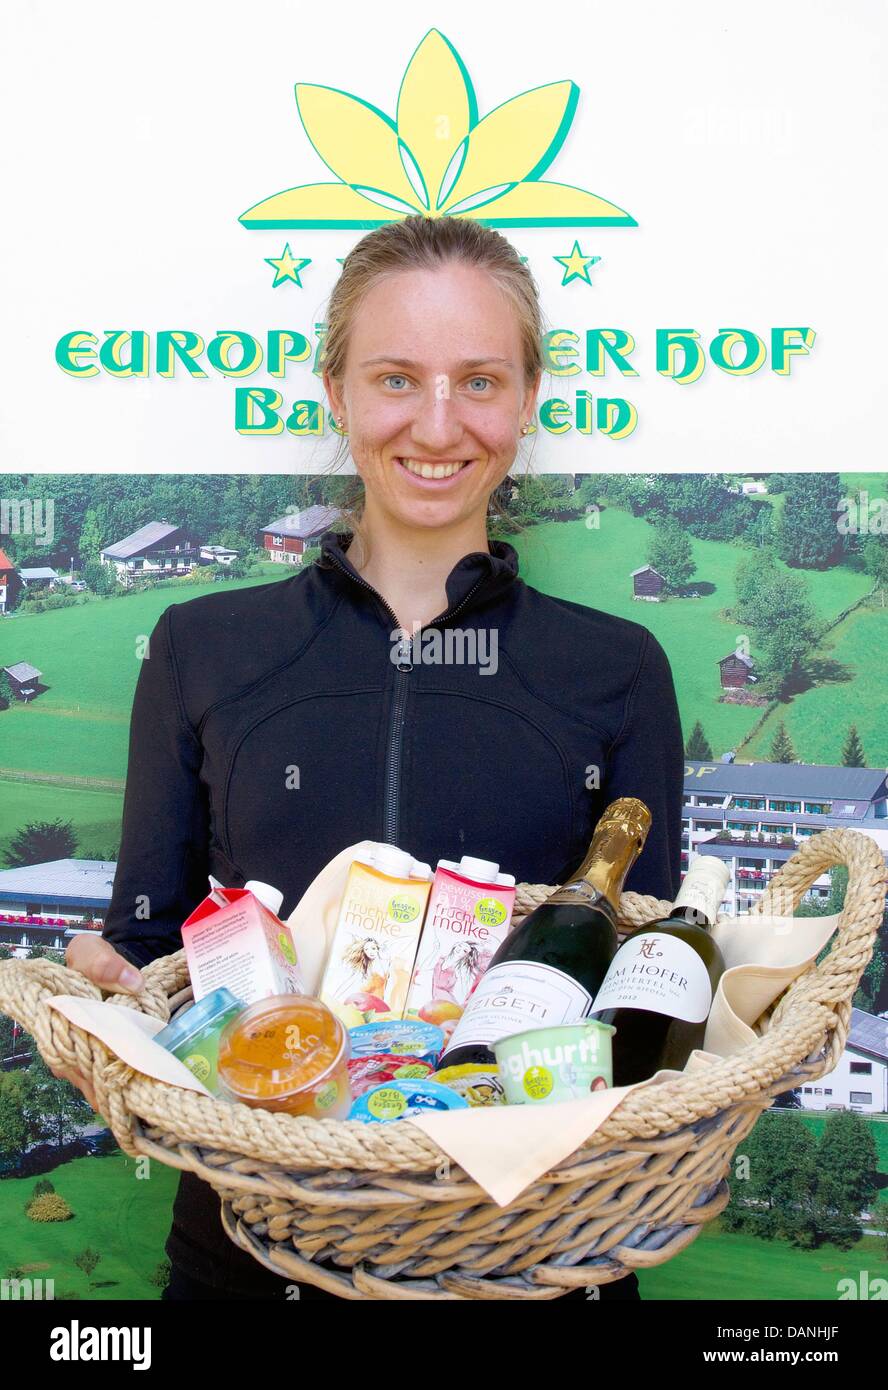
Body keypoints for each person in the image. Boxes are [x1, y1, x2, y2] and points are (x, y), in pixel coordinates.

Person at [54, 214, 685, 1302]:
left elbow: (648, 999)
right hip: (258, 1257)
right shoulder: (203, 647)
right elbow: (148, 951)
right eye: (396, 377)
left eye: (479, 380)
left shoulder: (617, 666)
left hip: (535, 1259)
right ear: (335, 392)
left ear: (530, 399)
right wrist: (106, 986)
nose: (437, 423)